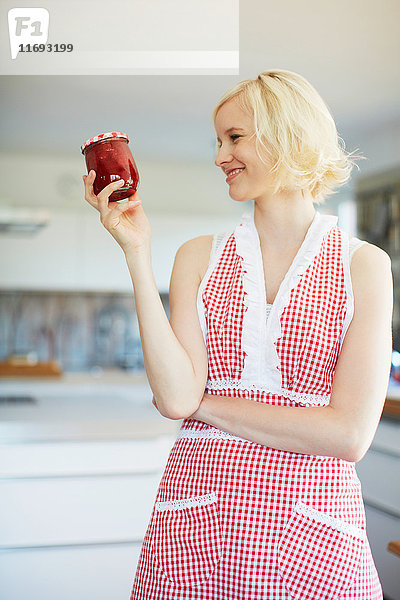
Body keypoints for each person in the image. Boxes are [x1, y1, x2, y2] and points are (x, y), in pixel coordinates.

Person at [83, 69, 392, 600]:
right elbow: (176, 395)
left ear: (287, 135)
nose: (220, 156)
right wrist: (136, 252)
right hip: (197, 525)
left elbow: (348, 436)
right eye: (218, 141)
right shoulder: (197, 257)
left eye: (235, 137)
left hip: (311, 530)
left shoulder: (363, 265)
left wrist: (206, 406)